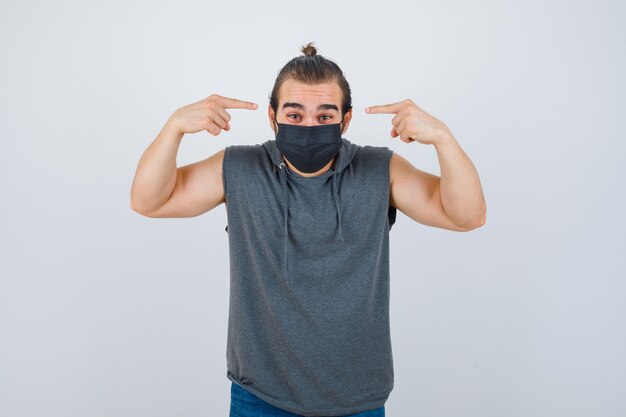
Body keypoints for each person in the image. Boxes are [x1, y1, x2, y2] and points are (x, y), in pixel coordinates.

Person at [130, 42, 486, 417]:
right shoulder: (240, 168)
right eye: (295, 115)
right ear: (273, 116)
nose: (310, 127)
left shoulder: (380, 170)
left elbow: (467, 216)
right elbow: (148, 201)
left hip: (357, 397)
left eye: (324, 116)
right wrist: (174, 128)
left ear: (345, 121)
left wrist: (443, 138)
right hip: (260, 395)